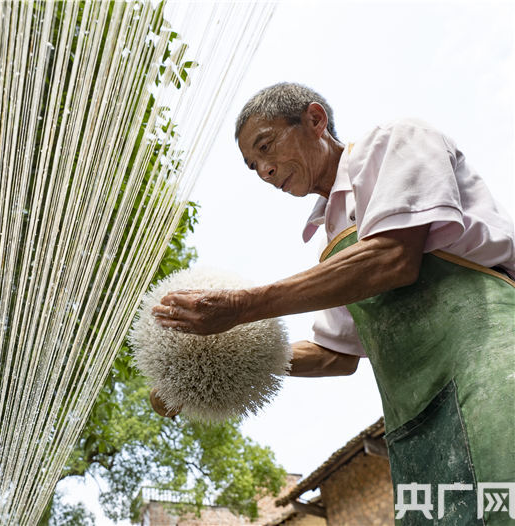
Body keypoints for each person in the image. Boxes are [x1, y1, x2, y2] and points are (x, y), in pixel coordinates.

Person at [151, 82, 515, 525]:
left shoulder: (395, 141)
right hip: (416, 424)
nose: (264, 170)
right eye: (253, 166)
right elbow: (334, 356)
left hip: (491, 369)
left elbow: (392, 257)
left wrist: (242, 307)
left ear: (315, 120)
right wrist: (210, 370)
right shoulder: (333, 242)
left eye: (266, 147)